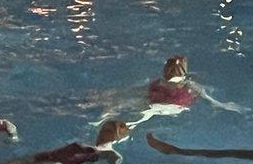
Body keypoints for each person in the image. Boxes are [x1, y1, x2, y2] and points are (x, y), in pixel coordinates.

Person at [91, 55, 241, 128]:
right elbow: (208, 99)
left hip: (154, 105)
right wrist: (222, 104)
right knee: (141, 117)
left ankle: (104, 117)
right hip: (176, 109)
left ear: (165, 71)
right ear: (184, 71)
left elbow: (140, 91)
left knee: (133, 112)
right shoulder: (190, 85)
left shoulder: (158, 83)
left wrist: (118, 93)